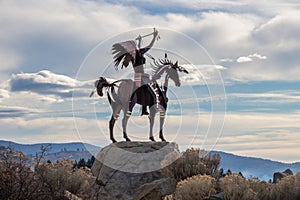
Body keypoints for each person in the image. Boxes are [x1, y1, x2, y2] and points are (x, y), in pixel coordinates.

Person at [112, 28, 159, 115]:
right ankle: (146, 109)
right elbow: (150, 46)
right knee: (152, 93)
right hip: (142, 77)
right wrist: (154, 37)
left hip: (137, 76)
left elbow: (138, 48)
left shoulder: (134, 55)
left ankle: (143, 109)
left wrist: (140, 41)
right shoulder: (139, 53)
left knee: (145, 90)